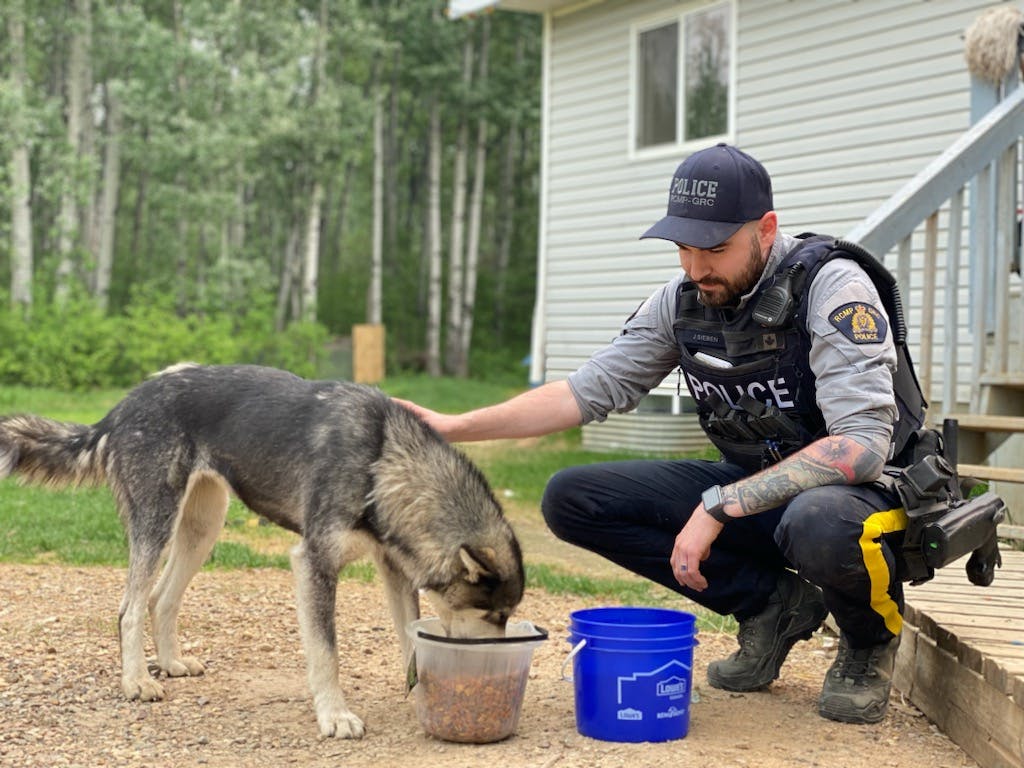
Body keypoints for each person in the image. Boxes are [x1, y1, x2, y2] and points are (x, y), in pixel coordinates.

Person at [400, 142, 912, 725]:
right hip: (758, 484)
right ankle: (772, 607)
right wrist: (453, 427)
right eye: (683, 248)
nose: (696, 269)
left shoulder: (833, 288)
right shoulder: (681, 301)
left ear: (766, 229)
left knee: (818, 521)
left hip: (863, 500)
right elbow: (583, 391)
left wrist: (719, 505)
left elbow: (863, 444)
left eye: (715, 249)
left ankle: (869, 643)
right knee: (573, 498)